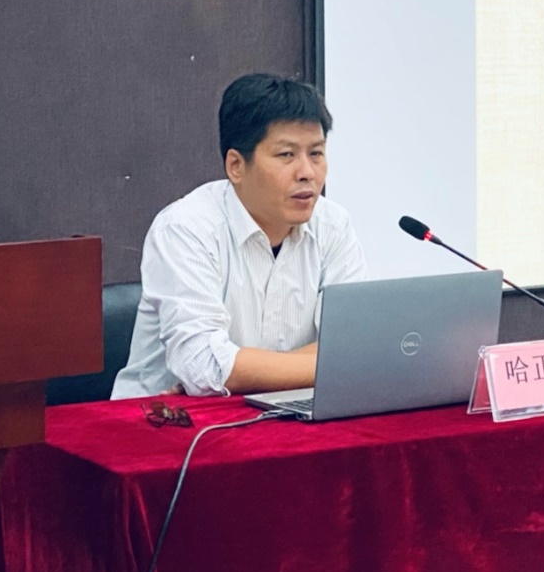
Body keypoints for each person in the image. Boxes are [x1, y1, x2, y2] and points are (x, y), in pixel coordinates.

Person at [111, 73, 366, 399]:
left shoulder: (333, 225)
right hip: (164, 420)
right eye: (286, 155)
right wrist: (333, 364)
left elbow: (353, 343)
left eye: (316, 153)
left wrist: (248, 371)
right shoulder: (186, 229)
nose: (307, 172)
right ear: (236, 165)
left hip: (276, 412)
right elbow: (205, 366)